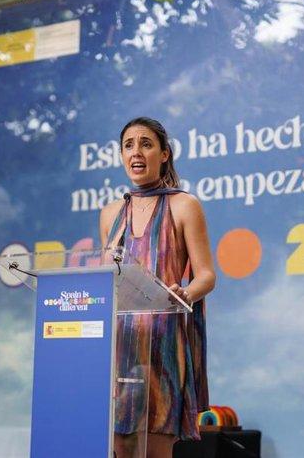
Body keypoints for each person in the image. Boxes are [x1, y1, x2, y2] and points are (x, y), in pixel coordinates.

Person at [99, 117, 216, 458]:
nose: (136, 151)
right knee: (121, 444)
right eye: (129, 145)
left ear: (164, 154)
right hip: (119, 344)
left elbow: (206, 276)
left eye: (146, 144)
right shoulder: (109, 213)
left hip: (163, 343)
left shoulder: (184, 205)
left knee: (156, 445)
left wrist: (185, 294)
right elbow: (106, 280)